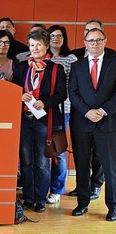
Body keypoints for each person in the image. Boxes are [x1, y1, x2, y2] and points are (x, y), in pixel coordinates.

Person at [13, 29, 66, 214]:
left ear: (46, 46)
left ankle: (40, 198)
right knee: (26, 161)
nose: (35, 48)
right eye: (32, 45)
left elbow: (62, 94)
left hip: (46, 120)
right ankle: (28, 197)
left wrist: (46, 101)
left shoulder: (56, 68)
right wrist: (21, 95)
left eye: (39, 45)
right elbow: (14, 90)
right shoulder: (22, 67)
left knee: (43, 162)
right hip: (26, 119)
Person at [69, 27, 116, 221]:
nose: (94, 44)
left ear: (105, 41)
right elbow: (73, 92)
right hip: (82, 122)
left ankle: (113, 207)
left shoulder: (114, 63)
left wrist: (103, 110)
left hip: (108, 122)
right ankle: (82, 203)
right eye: (91, 40)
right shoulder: (78, 65)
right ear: (85, 43)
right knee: (81, 165)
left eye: (98, 40)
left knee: (110, 167)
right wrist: (87, 111)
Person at [46, 25, 77, 204]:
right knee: (42, 151)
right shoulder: (41, 57)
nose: (55, 39)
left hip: (62, 109)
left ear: (64, 39)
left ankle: (57, 189)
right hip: (40, 109)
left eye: (59, 36)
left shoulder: (71, 59)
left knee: (58, 149)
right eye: (52, 36)